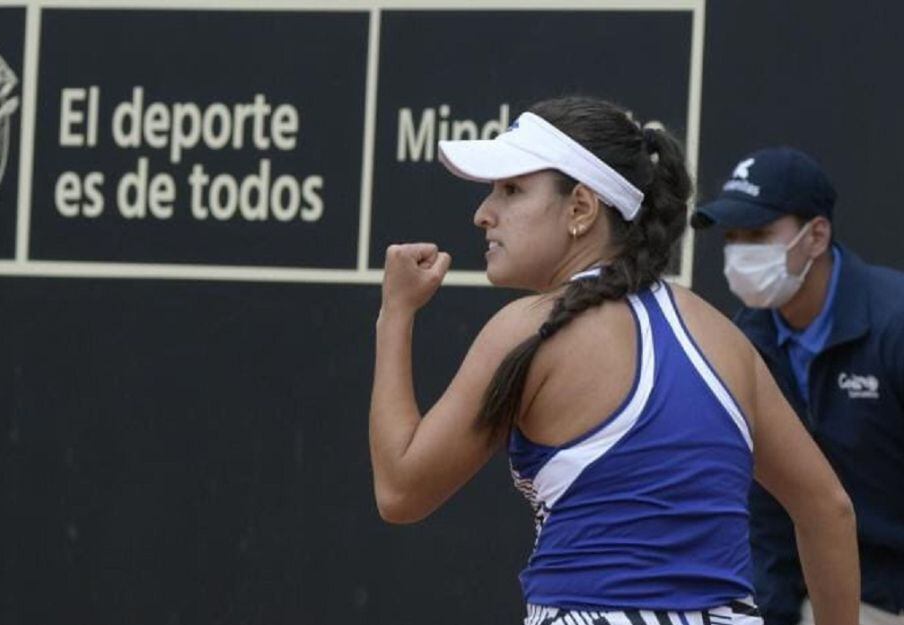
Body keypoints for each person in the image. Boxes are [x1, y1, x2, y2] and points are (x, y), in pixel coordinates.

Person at [368, 96, 859, 624]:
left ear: (581, 208)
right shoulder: (725, 338)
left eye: (512, 190)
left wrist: (395, 314)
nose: (483, 213)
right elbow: (828, 509)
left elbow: (401, 491)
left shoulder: (527, 330)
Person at [692, 147, 904, 625]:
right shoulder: (746, 341)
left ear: (817, 236)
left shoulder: (894, 323)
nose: (741, 251)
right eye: (733, 236)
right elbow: (764, 504)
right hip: (824, 594)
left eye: (760, 234)